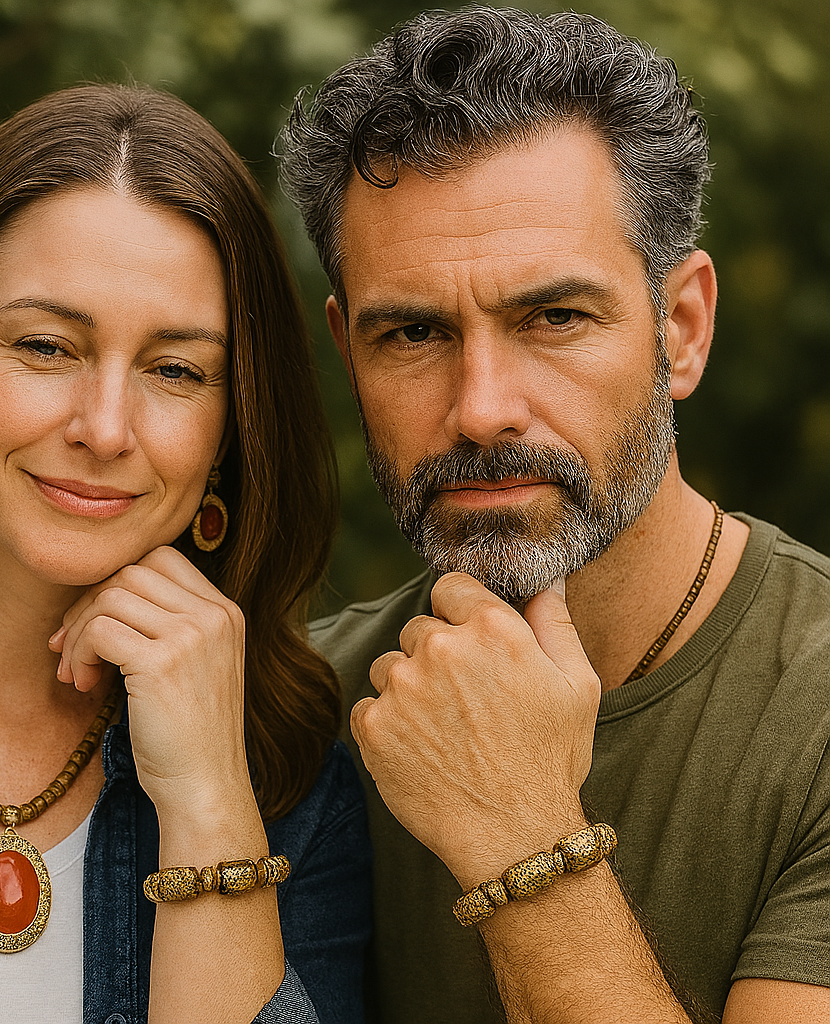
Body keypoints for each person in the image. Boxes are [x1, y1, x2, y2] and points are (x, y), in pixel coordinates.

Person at [277, 7, 830, 1023]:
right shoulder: (289, 714)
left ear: (682, 327)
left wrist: (519, 831)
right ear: (347, 353)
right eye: (411, 331)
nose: (481, 405)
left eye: (554, 317)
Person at [0, 83, 370, 1024]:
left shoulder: (293, 788)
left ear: (233, 421)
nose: (105, 428)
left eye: (176, 370)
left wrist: (207, 799)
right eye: (46, 346)